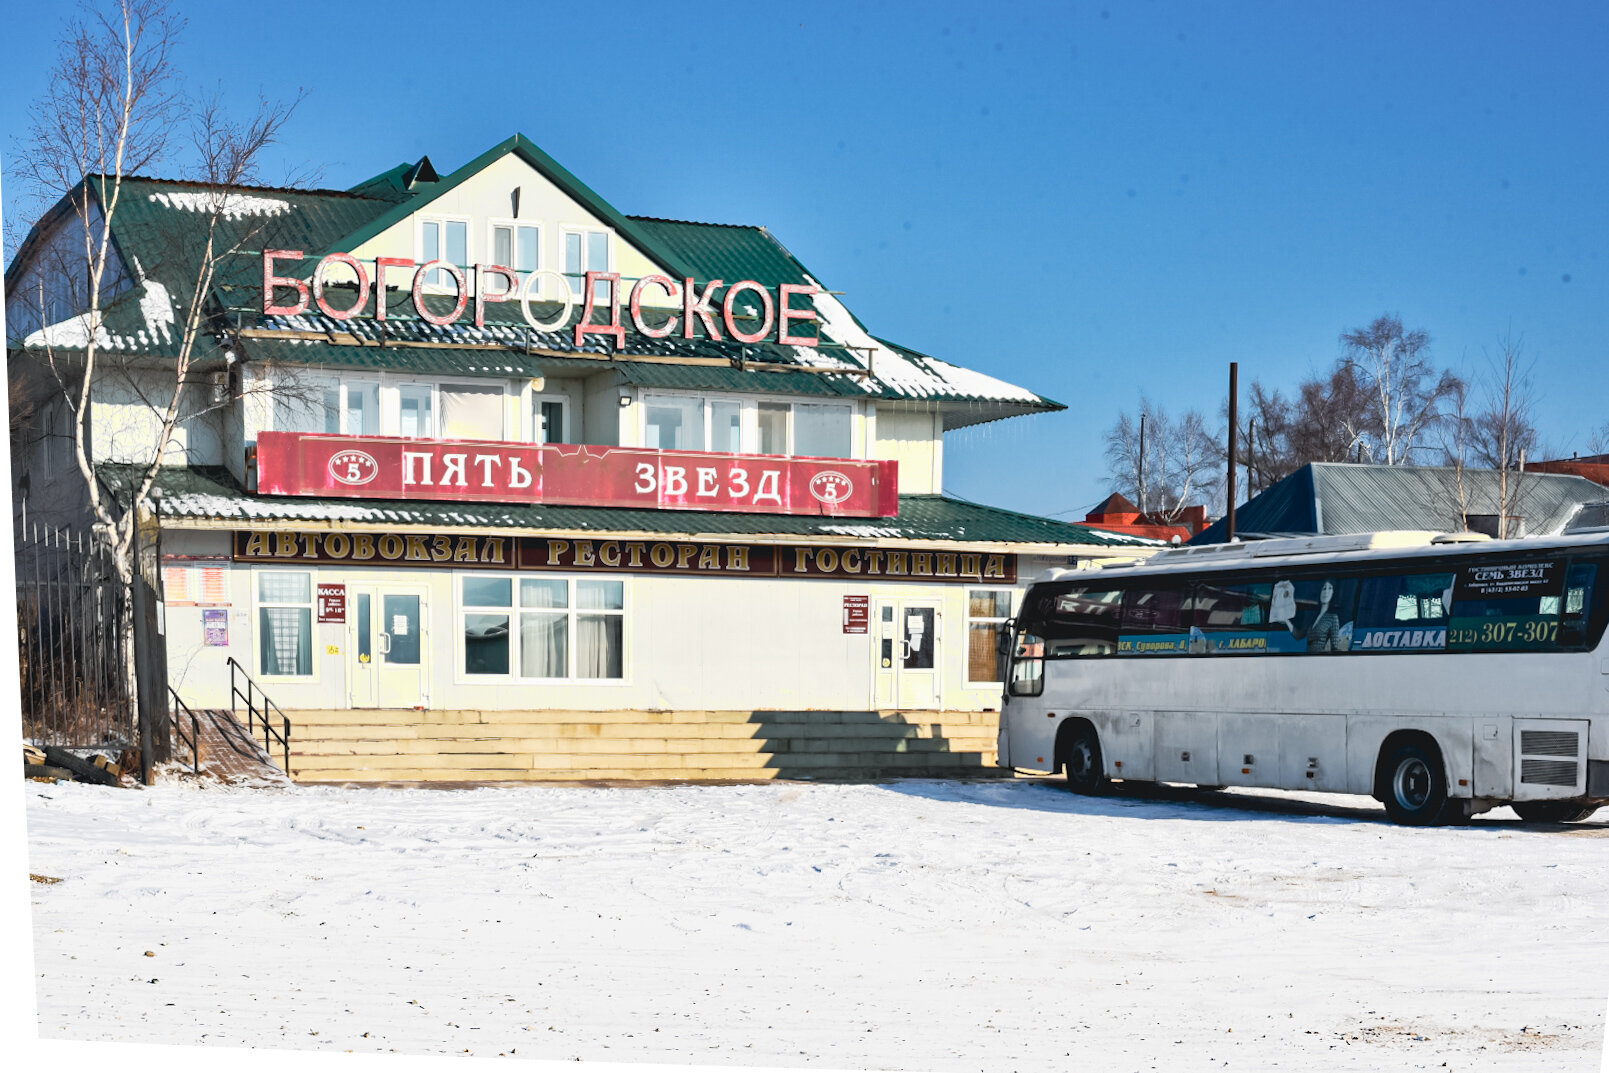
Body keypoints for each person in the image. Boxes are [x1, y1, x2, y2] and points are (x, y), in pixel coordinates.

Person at [1284, 579, 1345, 652]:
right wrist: (1286, 621)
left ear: (1333, 593)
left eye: (1330, 588)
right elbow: (1299, 635)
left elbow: (1335, 647)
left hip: (1320, 659)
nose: (1326, 592)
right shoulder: (1312, 616)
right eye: (1324, 588)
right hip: (1308, 657)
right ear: (1320, 591)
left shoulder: (1333, 618)